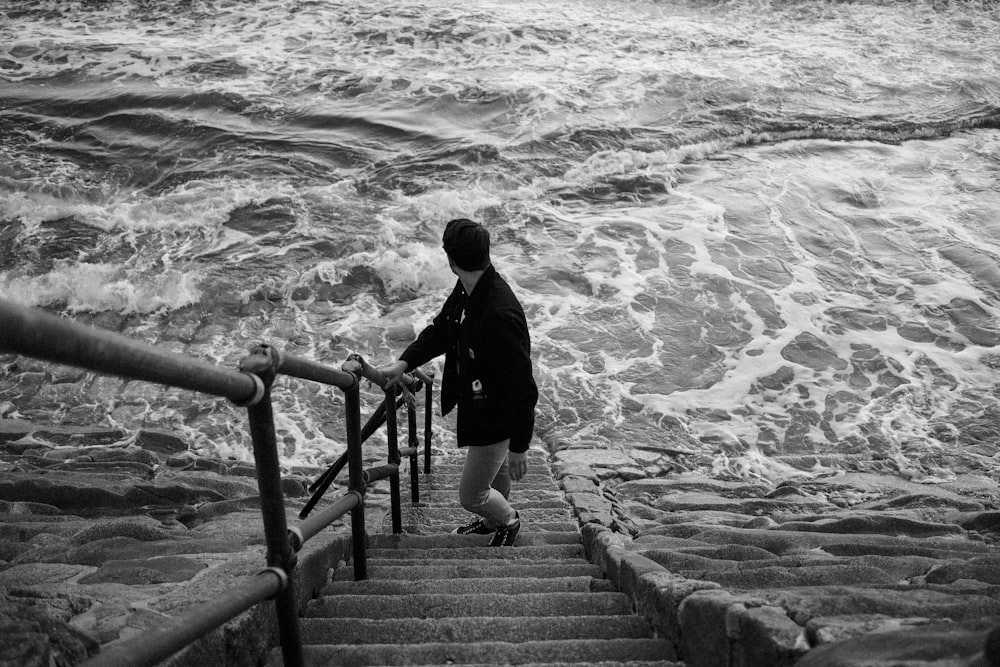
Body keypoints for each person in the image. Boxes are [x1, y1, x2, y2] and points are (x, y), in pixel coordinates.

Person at [379, 218, 538, 547]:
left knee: (472, 494)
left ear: (451, 261)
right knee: (496, 477)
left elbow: (523, 386)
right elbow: (442, 330)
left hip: (496, 415)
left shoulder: (499, 312)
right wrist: (404, 363)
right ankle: (492, 521)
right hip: (481, 405)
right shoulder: (470, 288)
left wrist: (520, 447)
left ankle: (508, 522)